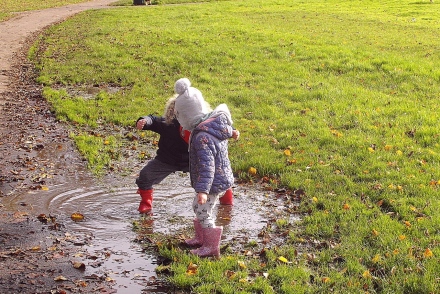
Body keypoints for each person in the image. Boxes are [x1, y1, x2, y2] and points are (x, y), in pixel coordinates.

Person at [135, 96, 236, 214]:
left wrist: (232, 131)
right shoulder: (168, 124)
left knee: (218, 175)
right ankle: (146, 204)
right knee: (146, 176)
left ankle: (227, 202)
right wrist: (144, 121)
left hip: (194, 161)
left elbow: (219, 126)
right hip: (167, 160)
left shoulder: (202, 126)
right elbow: (152, 119)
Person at [173, 77, 237, 257]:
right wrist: (232, 133)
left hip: (212, 182)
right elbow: (223, 131)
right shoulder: (212, 125)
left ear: (186, 116)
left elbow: (207, 165)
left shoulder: (202, 137)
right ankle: (201, 238)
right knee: (198, 208)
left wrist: (202, 190)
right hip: (219, 177)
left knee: (202, 210)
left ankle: (210, 247)